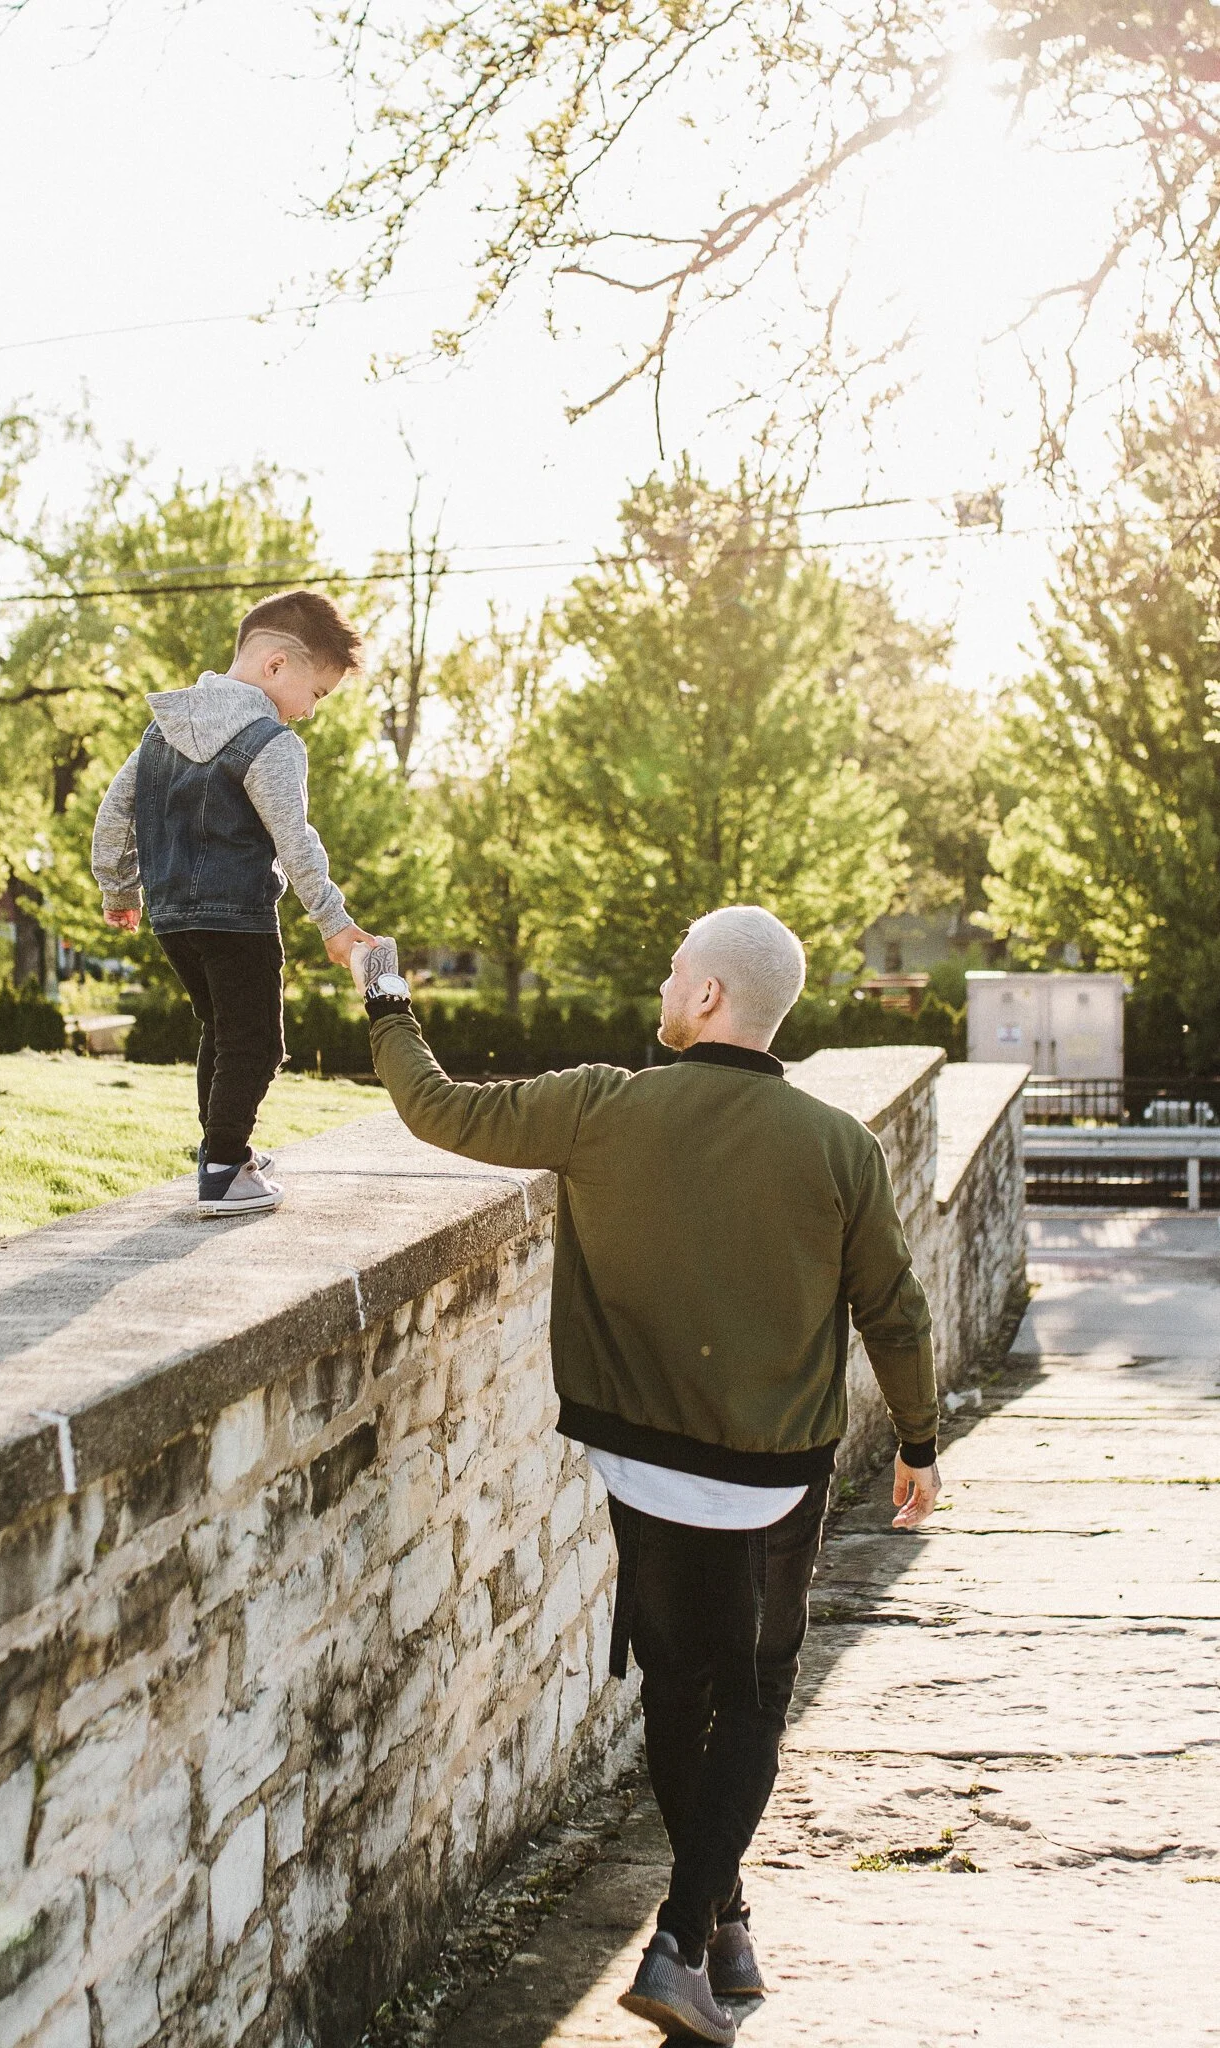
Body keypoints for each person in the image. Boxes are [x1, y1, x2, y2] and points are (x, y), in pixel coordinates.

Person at [351, 910, 940, 2046]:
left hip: (643, 1460)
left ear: (710, 997)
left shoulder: (598, 1105)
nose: (662, 983)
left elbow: (437, 1108)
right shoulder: (834, 1144)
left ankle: (717, 1925)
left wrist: (385, 998)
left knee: (674, 1687)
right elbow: (893, 1308)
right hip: (772, 1475)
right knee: (755, 1695)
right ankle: (685, 1932)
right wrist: (915, 1438)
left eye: (676, 968)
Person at [91, 589, 376, 1217]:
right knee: (258, 1042)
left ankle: (225, 1151)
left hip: (171, 918)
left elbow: (114, 812)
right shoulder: (270, 742)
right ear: (277, 666)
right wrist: (333, 920)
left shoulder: (163, 729)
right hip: (238, 918)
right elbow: (294, 839)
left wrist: (119, 885)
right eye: (318, 693)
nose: (308, 711)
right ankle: (223, 1169)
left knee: (220, 1033)